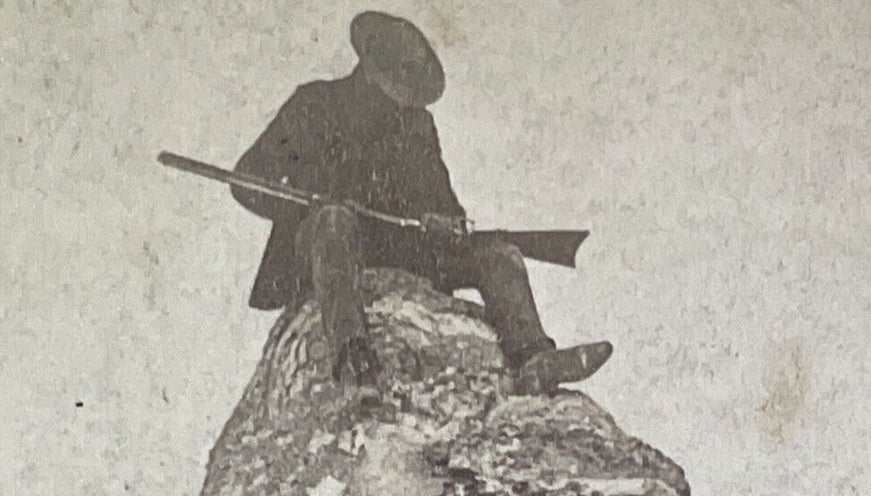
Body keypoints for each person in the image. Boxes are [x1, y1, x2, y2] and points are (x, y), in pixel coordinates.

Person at [232, 11, 612, 395]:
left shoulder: (416, 126)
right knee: (333, 221)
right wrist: (307, 209)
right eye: (390, 84)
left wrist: (445, 223)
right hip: (326, 247)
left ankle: (534, 358)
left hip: (403, 250)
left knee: (499, 252)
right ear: (367, 68)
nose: (397, 99)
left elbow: (446, 206)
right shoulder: (314, 104)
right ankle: (353, 358)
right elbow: (245, 180)